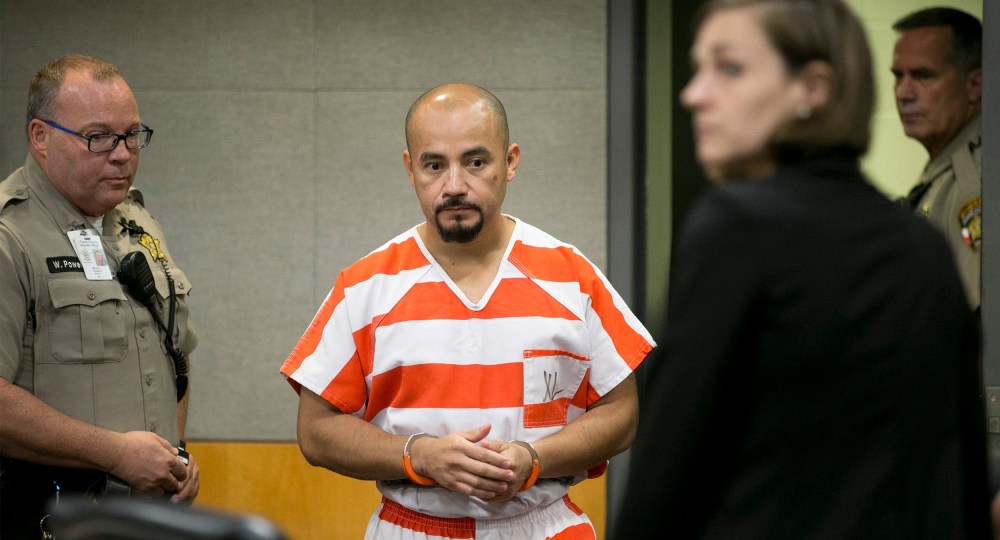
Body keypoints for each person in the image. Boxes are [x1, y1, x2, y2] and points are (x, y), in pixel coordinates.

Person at [612, 0, 989, 538]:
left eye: (729, 68)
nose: (693, 94)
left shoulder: (736, 224)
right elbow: (959, 469)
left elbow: (671, 460)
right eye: (698, 69)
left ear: (811, 88)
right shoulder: (919, 244)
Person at [281, 82, 654, 539]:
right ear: (409, 169)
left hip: (546, 525)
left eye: (476, 162)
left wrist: (535, 459)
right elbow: (316, 432)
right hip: (414, 527)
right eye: (434, 165)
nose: (454, 185)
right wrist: (418, 455)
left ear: (510, 161)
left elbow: (622, 414)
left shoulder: (572, 276)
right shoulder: (366, 287)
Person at [0, 55, 199, 538]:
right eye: (98, 137)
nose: (122, 154)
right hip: (50, 516)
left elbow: (174, 355)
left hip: (146, 514)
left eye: (133, 135)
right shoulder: (9, 237)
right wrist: (117, 454)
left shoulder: (137, 222)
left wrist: (175, 456)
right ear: (40, 138)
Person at [892, 7, 982, 310]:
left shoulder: (973, 181)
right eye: (898, 76)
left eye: (923, 76)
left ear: (975, 86)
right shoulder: (945, 168)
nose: (903, 93)